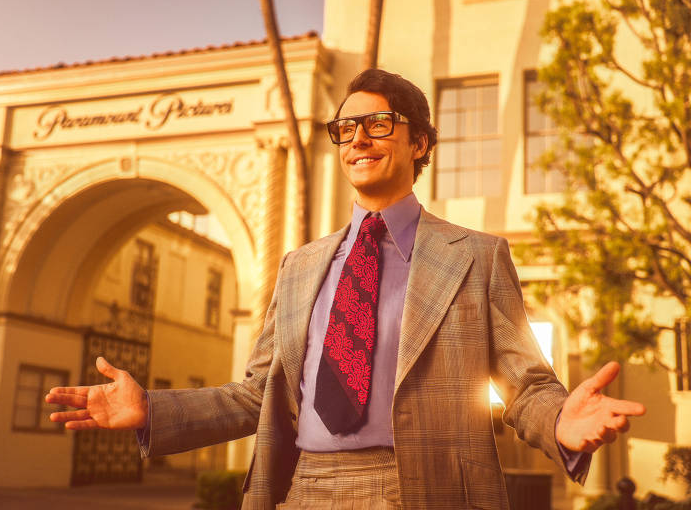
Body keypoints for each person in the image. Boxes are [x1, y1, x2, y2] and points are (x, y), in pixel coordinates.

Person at [46, 69, 646, 509]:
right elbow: (256, 397)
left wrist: (561, 421)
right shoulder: (300, 266)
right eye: (346, 128)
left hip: (428, 490)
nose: (357, 138)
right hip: (307, 488)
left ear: (421, 144)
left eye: (378, 123)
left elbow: (524, 386)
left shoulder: (479, 256)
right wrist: (151, 408)